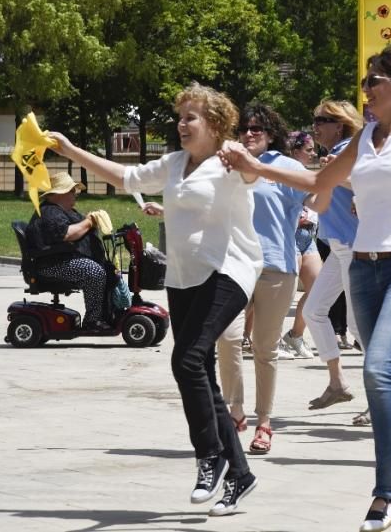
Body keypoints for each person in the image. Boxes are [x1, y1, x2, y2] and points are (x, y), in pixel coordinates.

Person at [221, 45, 391, 531]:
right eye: (366, 81)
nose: (366, 90)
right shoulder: (366, 138)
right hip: (365, 271)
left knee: (377, 370)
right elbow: (315, 178)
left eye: (374, 81)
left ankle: (387, 490)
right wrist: (257, 164)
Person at [48, 83, 260, 514]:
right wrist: (71, 150)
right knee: (199, 371)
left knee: (186, 360)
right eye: (179, 117)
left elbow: (255, 173)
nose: (182, 124)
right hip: (185, 278)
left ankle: (210, 457)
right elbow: (124, 177)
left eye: (191, 117)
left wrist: (246, 159)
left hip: (230, 271)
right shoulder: (175, 163)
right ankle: (239, 473)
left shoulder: (231, 159)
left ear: (215, 123)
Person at [216, 104, 321, 455]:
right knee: (228, 339)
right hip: (233, 265)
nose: (249, 133)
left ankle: (264, 422)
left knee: (265, 349)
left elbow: (318, 196)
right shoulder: (228, 163)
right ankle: (235, 409)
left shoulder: (287, 167)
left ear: (271, 133)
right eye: (245, 127)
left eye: (257, 128)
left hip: (276, 266)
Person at [298, 99, 364, 411]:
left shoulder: (349, 149)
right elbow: (318, 198)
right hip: (339, 247)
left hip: (356, 246)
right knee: (313, 311)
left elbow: (368, 182)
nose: (316, 126)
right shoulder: (336, 155)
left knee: (360, 327)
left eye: (322, 120)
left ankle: (382, 402)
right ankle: (337, 383)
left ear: (340, 124)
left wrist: (336, 175)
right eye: (315, 120)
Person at [25, 171, 112, 332]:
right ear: (60, 194)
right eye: (72, 191)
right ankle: (92, 321)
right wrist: (89, 221)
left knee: (107, 270)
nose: (75, 195)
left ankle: (107, 315)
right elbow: (67, 234)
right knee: (94, 272)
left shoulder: (62, 211)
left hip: (61, 261)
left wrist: (90, 221)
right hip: (52, 265)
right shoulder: (50, 212)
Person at [279, 132, 321, 360]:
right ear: (295, 151)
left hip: (308, 237)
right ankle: (271, 339)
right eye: (309, 150)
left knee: (317, 288)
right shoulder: (283, 172)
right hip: (290, 235)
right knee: (285, 293)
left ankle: (295, 335)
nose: (313, 153)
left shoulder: (307, 174)